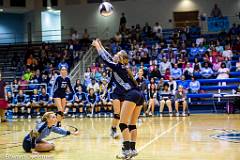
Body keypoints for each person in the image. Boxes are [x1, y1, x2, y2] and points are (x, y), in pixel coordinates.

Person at [92, 39, 144, 159]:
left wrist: (96, 47)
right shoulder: (123, 67)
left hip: (131, 95)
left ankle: (126, 151)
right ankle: (133, 149)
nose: (114, 55)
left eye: (117, 54)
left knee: (122, 124)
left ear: (120, 58)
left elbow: (105, 59)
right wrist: (100, 45)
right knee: (132, 124)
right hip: (140, 95)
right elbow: (109, 56)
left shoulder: (118, 66)